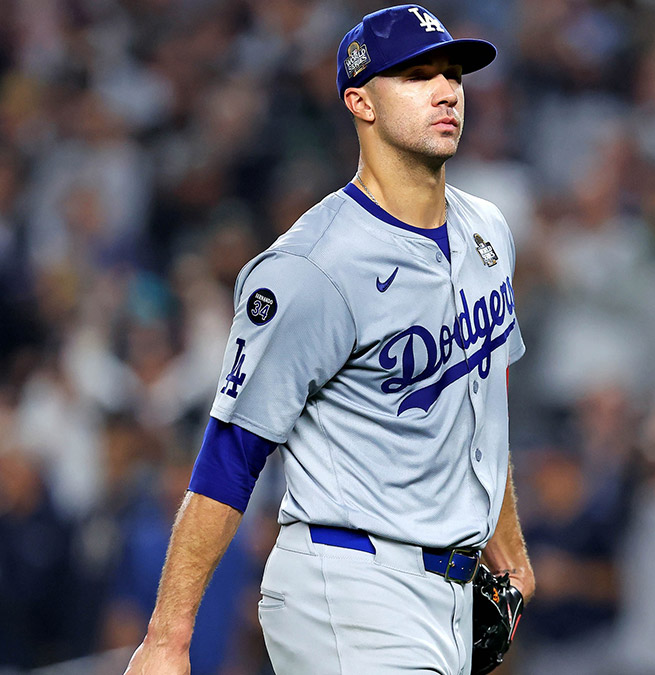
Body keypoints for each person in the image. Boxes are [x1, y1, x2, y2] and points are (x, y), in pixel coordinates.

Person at [124, 5, 534, 673]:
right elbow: (231, 453)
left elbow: (485, 396)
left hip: (447, 591)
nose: (445, 90)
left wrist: (506, 544)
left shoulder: (488, 229)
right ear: (359, 101)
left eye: (453, 73)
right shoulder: (311, 267)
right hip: (348, 583)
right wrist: (169, 637)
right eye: (416, 75)